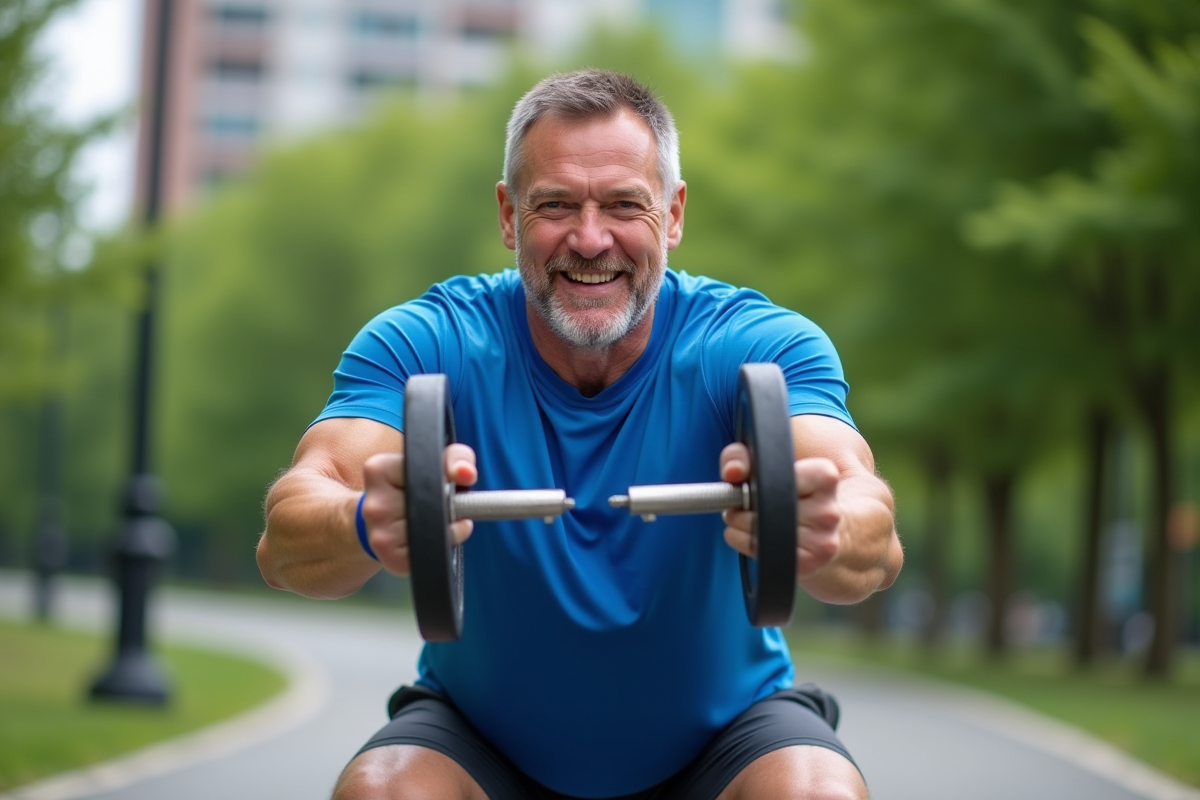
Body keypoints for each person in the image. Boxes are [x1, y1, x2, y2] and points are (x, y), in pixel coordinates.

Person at [257, 68, 903, 800]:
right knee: (383, 791)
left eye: (625, 205)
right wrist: (363, 522)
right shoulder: (425, 340)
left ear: (674, 213)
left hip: (725, 739)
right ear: (508, 215)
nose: (590, 239)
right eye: (555, 205)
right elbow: (285, 545)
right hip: (483, 740)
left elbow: (872, 535)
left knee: (815, 792)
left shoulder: (761, 345)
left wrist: (820, 522)